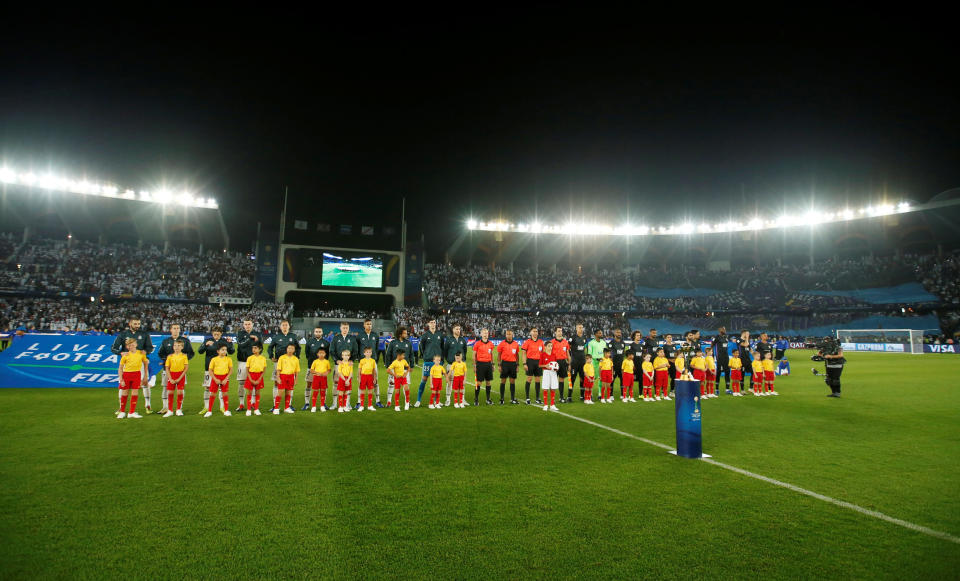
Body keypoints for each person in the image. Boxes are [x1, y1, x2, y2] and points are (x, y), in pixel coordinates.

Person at [111, 316, 154, 414]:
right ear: (130, 323)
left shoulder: (144, 334)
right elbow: (113, 348)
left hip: (140, 362)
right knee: (123, 385)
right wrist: (121, 353)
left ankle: (148, 405)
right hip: (127, 363)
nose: (137, 326)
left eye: (138, 324)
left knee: (144, 383)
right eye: (135, 324)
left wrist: (146, 351)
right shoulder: (123, 334)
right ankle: (121, 407)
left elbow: (150, 348)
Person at [157, 323, 195, 415]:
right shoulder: (166, 341)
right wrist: (166, 359)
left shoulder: (185, 340)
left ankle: (179, 408)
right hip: (168, 370)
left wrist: (184, 358)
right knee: (166, 388)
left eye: (178, 328)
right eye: (174, 328)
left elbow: (191, 353)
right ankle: (165, 407)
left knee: (180, 389)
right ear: (171, 330)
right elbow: (160, 353)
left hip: (180, 370)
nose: (176, 330)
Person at [198, 327, 235, 414]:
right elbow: (200, 351)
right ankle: (206, 407)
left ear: (221, 334)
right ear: (212, 333)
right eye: (215, 334)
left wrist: (231, 343)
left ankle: (222, 407)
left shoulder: (224, 341)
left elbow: (232, 351)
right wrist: (205, 344)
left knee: (221, 389)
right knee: (207, 388)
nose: (216, 335)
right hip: (209, 369)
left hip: (222, 371)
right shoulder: (208, 341)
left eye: (218, 334)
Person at [267, 320, 299, 412]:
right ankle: (275, 405)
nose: (285, 327)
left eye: (286, 325)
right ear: (280, 327)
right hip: (278, 362)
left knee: (290, 384)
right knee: (277, 383)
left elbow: (298, 347)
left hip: (291, 363)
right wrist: (271, 356)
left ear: (289, 326)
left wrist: (297, 357)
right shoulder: (276, 336)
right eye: (283, 325)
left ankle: (288, 405)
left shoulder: (293, 336)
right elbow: (270, 347)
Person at [235, 319, 263, 413]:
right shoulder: (240, 334)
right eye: (246, 324)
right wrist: (249, 338)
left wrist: (257, 340)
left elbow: (261, 348)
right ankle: (242, 403)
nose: (247, 326)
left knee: (254, 383)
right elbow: (240, 344)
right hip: (243, 361)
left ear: (252, 324)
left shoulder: (258, 334)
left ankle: (253, 403)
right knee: (242, 383)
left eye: (249, 324)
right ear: (243, 325)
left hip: (254, 362)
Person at [415, 319, 444, 407]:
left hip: (438, 362)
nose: (433, 324)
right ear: (428, 324)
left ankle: (436, 401)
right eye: (431, 322)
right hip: (428, 361)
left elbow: (442, 347)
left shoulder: (440, 335)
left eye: (434, 322)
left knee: (437, 381)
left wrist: (441, 358)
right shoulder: (425, 335)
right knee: (424, 379)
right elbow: (421, 346)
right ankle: (418, 400)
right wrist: (425, 355)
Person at [117, 337, 148, 419]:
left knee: (135, 393)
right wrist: (121, 379)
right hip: (126, 375)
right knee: (124, 393)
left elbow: (145, 365)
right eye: (130, 345)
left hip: (137, 374)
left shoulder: (141, 354)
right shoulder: (125, 355)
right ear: (127, 347)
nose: (132, 346)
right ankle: (122, 412)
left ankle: (131, 412)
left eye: (133, 344)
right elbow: (120, 368)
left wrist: (145, 376)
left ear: (136, 344)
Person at [385, 327, 415, 408]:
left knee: (406, 385)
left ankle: (407, 402)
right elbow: (388, 355)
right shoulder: (393, 343)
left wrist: (412, 365)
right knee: (392, 384)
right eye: (405, 333)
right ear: (400, 334)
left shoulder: (408, 343)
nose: (406, 334)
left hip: (405, 369)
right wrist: (388, 366)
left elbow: (411, 355)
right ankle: (389, 401)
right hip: (394, 369)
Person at [302, 326, 330, 410]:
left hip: (322, 370)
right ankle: (307, 403)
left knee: (323, 386)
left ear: (322, 332)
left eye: (319, 331)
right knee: (309, 384)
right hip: (311, 367)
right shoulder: (309, 342)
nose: (318, 333)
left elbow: (327, 355)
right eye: (316, 331)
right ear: (314, 332)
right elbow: (307, 353)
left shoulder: (326, 343)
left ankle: (323, 403)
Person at [357, 319, 382, 408]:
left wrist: (375, 358)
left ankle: (378, 401)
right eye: (367, 324)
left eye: (370, 324)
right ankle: (359, 402)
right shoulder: (360, 335)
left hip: (373, 361)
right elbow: (357, 347)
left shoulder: (375, 335)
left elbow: (376, 348)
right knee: (361, 382)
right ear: (364, 325)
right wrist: (359, 358)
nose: (369, 325)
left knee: (375, 381)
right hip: (363, 362)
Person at [162, 339, 189, 417]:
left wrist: (180, 378)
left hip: (180, 375)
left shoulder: (184, 356)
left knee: (180, 392)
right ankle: (170, 410)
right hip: (171, 375)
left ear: (182, 347)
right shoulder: (170, 357)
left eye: (179, 346)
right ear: (173, 347)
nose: (176, 347)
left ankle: (178, 409)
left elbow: (186, 368)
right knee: (170, 392)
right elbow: (167, 368)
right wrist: (170, 378)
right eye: (175, 345)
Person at [443, 324, 468, 406]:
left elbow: (465, 351)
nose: (458, 330)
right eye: (457, 329)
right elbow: (445, 351)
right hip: (451, 364)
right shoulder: (449, 340)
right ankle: (448, 399)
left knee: (462, 383)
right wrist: (449, 360)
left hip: (461, 365)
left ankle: (462, 400)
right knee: (450, 382)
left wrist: (462, 360)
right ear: (453, 330)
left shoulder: (463, 340)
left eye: (459, 329)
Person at [206, 344, 234, 417]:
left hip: (225, 377)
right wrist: (215, 379)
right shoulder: (214, 359)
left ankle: (226, 410)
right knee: (212, 394)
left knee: (225, 394)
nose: (225, 351)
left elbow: (231, 370)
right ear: (218, 351)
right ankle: (209, 411)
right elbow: (210, 370)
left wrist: (226, 379)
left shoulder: (229, 359)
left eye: (225, 350)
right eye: (223, 350)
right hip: (216, 377)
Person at [496, 329, 521, 404]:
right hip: (505, 364)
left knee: (512, 381)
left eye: (510, 334)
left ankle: (512, 399)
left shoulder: (516, 344)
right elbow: (499, 355)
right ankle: (502, 399)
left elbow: (517, 355)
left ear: (512, 335)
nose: (508, 335)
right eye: (507, 334)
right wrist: (499, 365)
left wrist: (517, 365)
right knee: (503, 381)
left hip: (513, 364)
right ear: (505, 335)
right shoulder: (502, 344)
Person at [274, 343, 300, 414]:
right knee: (280, 392)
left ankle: (287, 408)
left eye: (292, 348)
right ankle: (276, 408)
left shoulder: (296, 359)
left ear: (294, 350)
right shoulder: (282, 357)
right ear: (286, 349)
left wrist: (296, 379)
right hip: (283, 376)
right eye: (289, 348)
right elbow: (278, 369)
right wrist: (278, 377)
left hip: (291, 376)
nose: (290, 350)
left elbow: (297, 371)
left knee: (288, 393)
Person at [521, 327, 545, 405]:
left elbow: (543, 354)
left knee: (538, 380)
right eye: (533, 331)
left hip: (538, 362)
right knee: (529, 379)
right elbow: (523, 353)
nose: (535, 333)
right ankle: (527, 398)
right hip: (530, 362)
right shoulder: (527, 342)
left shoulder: (541, 342)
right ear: (531, 333)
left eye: (536, 331)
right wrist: (524, 363)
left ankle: (537, 398)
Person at [473, 328, 495, 406]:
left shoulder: (491, 344)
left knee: (488, 382)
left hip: (488, 364)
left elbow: (491, 354)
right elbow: (474, 355)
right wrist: (474, 365)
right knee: (479, 383)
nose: (485, 334)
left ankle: (488, 399)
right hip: (480, 364)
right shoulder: (477, 344)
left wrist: (493, 364)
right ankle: (476, 399)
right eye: (484, 333)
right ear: (481, 334)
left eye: (487, 333)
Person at [244, 343, 268, 415]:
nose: (253, 349)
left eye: (255, 348)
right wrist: (250, 379)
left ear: (260, 349)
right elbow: (247, 369)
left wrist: (259, 378)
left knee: (257, 392)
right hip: (251, 375)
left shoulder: (263, 358)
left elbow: (264, 369)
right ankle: (248, 409)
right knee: (250, 392)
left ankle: (256, 409)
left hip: (259, 376)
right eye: (253, 348)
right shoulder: (250, 358)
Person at [550, 327, 572, 403]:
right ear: (555, 332)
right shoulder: (552, 342)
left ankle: (561, 397)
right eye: (558, 331)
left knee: (561, 380)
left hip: (563, 362)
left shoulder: (565, 342)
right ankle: (552, 398)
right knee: (553, 380)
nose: (560, 332)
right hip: (554, 363)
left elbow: (568, 354)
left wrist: (569, 364)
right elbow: (548, 353)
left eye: (561, 331)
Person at [569, 323, 588, 401]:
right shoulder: (572, 338)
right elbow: (568, 348)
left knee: (582, 379)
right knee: (572, 379)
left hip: (582, 362)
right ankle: (569, 397)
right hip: (574, 362)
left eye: (582, 328)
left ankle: (582, 396)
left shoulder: (584, 338)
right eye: (579, 328)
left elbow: (584, 348)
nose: (581, 329)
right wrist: (570, 360)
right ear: (576, 329)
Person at [539, 334, 559, 411]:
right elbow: (540, 365)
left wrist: (556, 368)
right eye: (549, 346)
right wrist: (546, 366)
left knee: (553, 388)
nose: (550, 347)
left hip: (553, 373)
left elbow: (556, 364)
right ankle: (545, 405)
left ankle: (552, 405)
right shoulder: (542, 355)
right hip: (546, 372)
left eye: (551, 346)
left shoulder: (554, 355)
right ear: (545, 347)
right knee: (545, 388)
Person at [308, 348, 331, 412]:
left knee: (323, 392)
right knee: (315, 392)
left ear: (325, 354)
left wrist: (326, 373)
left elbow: (329, 370)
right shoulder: (315, 361)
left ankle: (322, 406)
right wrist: (316, 373)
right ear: (317, 354)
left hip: (323, 378)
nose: (321, 354)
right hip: (316, 378)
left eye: (323, 353)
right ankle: (313, 406)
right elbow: (311, 370)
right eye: (320, 353)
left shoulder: (327, 361)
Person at [358, 346, 378, 412]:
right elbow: (359, 370)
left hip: (370, 377)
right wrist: (359, 378)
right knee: (362, 391)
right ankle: (361, 406)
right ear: (364, 353)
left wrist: (374, 378)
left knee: (370, 390)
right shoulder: (362, 360)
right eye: (367, 352)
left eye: (370, 352)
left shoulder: (373, 361)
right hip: (363, 376)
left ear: (371, 353)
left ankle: (370, 405)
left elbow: (374, 371)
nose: (368, 353)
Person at [333, 349, 354, 413]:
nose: (345, 357)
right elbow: (339, 373)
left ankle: (345, 406)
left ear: (349, 356)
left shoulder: (350, 364)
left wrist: (348, 380)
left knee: (346, 392)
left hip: (348, 379)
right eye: (344, 355)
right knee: (341, 392)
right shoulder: (341, 363)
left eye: (347, 355)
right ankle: (340, 407)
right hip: (342, 379)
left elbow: (351, 373)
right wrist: (345, 380)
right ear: (342, 356)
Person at [713, 327, 731, 394]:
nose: (724, 330)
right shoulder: (717, 337)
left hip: (726, 357)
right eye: (723, 329)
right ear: (719, 330)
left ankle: (727, 389)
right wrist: (711, 353)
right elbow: (713, 344)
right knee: (719, 372)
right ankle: (717, 389)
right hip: (720, 357)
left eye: (725, 329)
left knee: (727, 372)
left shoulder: (726, 336)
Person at [609, 329, 626, 401]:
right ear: (614, 333)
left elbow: (623, 353)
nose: (619, 333)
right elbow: (609, 355)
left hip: (621, 365)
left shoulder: (623, 343)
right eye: (617, 332)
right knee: (612, 380)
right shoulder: (611, 343)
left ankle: (622, 394)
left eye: (620, 332)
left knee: (622, 380)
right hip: (614, 365)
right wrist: (611, 365)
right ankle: (611, 395)